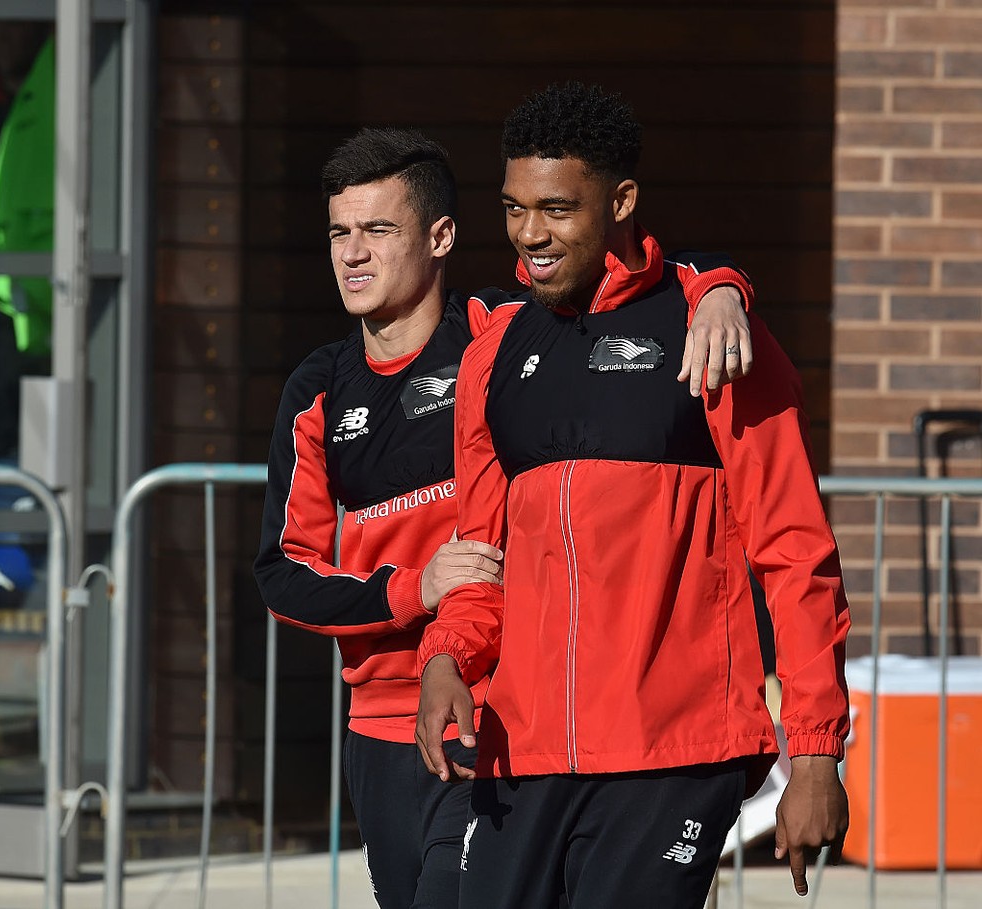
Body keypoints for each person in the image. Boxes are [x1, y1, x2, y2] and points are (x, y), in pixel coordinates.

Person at [253, 126, 755, 909]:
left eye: (377, 229)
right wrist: (413, 589)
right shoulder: (318, 389)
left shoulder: (499, 333)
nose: (353, 253)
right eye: (339, 233)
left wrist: (719, 284)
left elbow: (620, 286)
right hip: (382, 731)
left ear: (440, 237)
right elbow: (283, 574)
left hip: (496, 715)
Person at [415, 82, 851, 909]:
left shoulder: (713, 332)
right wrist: (448, 657)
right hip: (523, 752)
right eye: (513, 208)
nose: (530, 234)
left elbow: (796, 552)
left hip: (674, 753)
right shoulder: (492, 357)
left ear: (620, 201)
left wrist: (816, 751)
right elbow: (483, 561)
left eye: (556, 209)